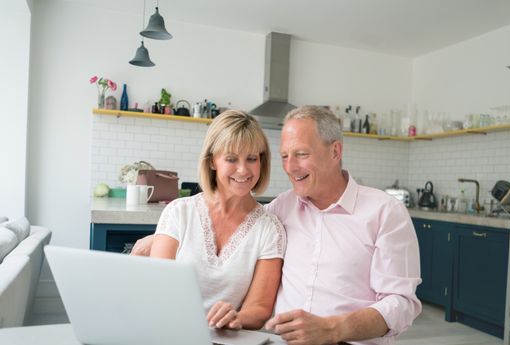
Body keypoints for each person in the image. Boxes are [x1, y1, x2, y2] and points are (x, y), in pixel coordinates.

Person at [133, 106, 421, 345]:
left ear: (335, 152)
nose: (291, 167)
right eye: (285, 156)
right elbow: (233, 219)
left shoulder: (385, 212)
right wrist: (160, 237)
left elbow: (402, 304)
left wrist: (334, 328)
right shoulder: (283, 208)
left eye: (302, 154)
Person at [146, 109, 286, 330]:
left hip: (228, 339)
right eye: (231, 158)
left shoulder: (270, 229)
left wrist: (236, 318)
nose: (243, 169)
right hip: (171, 331)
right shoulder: (178, 212)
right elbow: (157, 288)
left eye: (252, 158)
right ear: (212, 161)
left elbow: (259, 309)